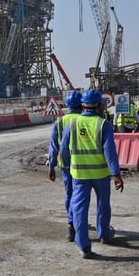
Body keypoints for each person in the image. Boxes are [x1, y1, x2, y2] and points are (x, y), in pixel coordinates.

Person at [59, 89, 125, 259]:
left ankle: (84, 246)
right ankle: (104, 234)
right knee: (103, 204)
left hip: (79, 175)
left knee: (79, 208)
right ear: (99, 105)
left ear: (83, 105)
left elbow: (64, 149)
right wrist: (116, 174)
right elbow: (110, 151)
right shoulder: (104, 124)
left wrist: (66, 165)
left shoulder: (72, 124)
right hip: (101, 174)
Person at [48, 91, 82, 242]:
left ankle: (71, 225)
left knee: (70, 194)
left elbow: (54, 146)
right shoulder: (84, 119)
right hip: (82, 164)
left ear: (66, 105)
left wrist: (51, 166)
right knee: (80, 195)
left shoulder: (60, 122)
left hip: (65, 164)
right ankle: (77, 223)